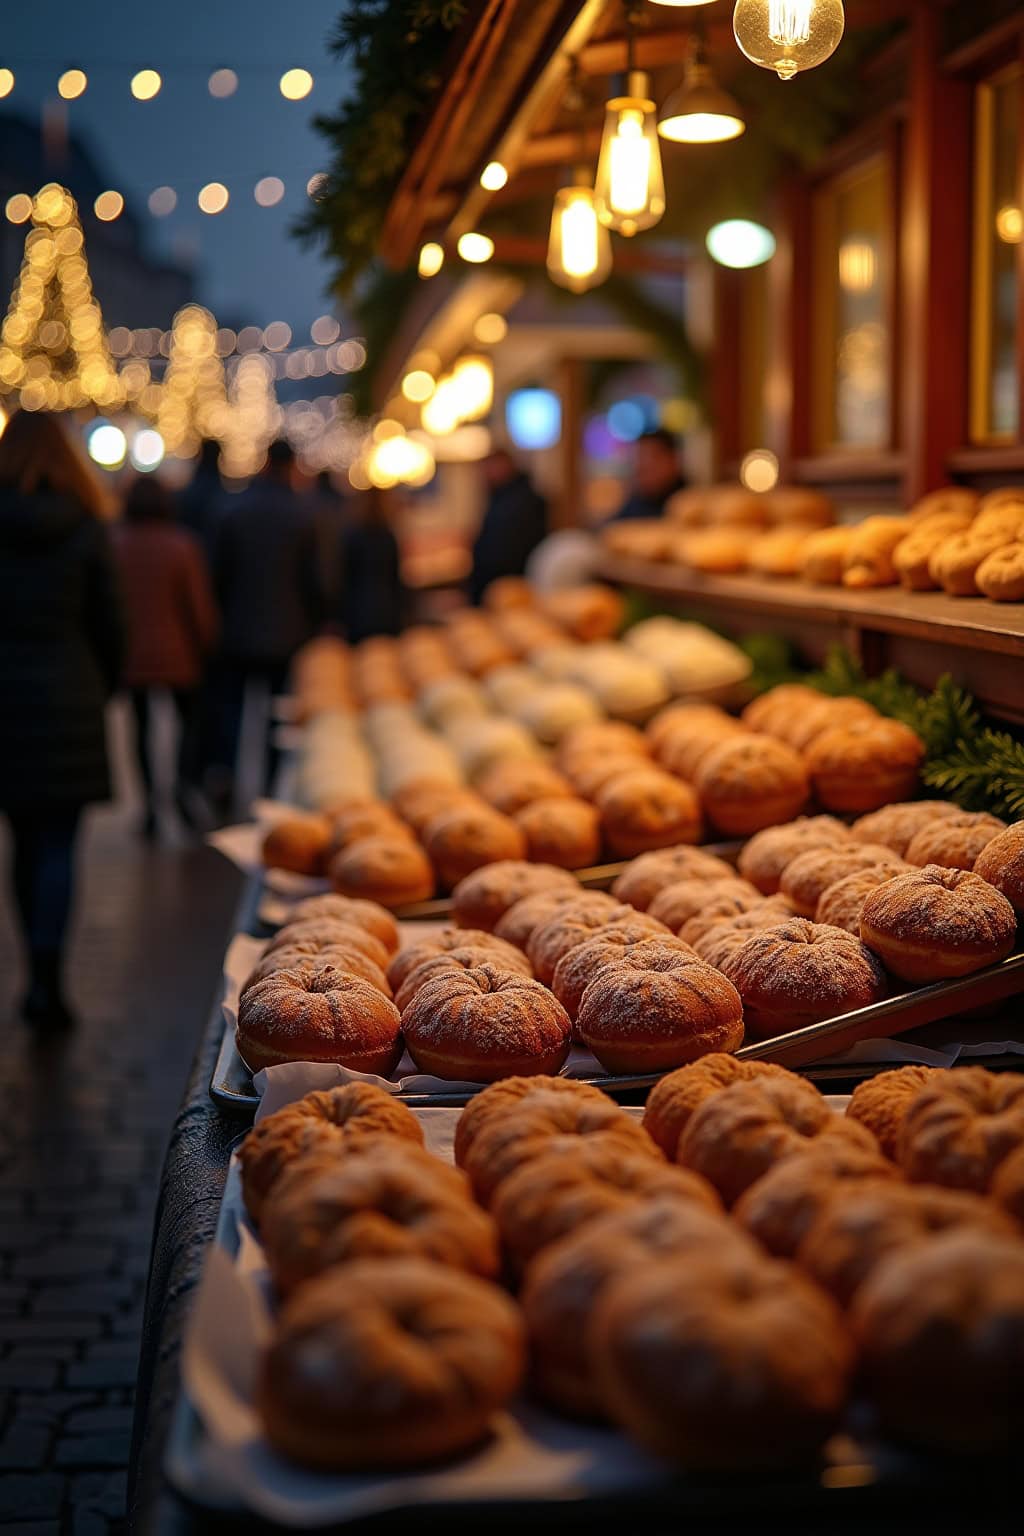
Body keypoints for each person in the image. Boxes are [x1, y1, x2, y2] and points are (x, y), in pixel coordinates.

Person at [0, 410, 124, 1030]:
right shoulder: (85, 523)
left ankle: (30, 972)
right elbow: (110, 624)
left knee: (21, 843)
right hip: (67, 692)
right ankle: (50, 981)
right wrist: (99, 686)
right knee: (57, 847)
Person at [214, 438, 323, 798]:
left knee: (233, 711)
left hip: (238, 630)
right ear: (293, 466)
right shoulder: (304, 514)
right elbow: (316, 580)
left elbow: (218, 574)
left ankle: (226, 776)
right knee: (278, 718)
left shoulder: (235, 509)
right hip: (287, 632)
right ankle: (270, 786)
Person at [113, 476, 218, 838]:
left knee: (140, 730)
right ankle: (181, 787)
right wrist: (207, 644)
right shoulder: (181, 544)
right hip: (179, 654)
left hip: (134, 654)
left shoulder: (117, 544)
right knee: (187, 727)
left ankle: (150, 804)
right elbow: (198, 606)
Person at [469, 448, 548, 604]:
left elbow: (509, 546)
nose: (486, 474)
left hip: (511, 584)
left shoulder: (523, 501)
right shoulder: (501, 496)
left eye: (490, 467)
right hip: (497, 584)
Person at [340, 490, 406, 643]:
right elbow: (395, 577)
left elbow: (345, 577)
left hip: (358, 610)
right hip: (386, 608)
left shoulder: (353, 536)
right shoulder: (388, 536)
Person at [609, 428, 686, 521]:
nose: (642, 466)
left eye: (652, 458)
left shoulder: (692, 502)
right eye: (639, 457)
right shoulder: (634, 503)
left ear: (674, 461)